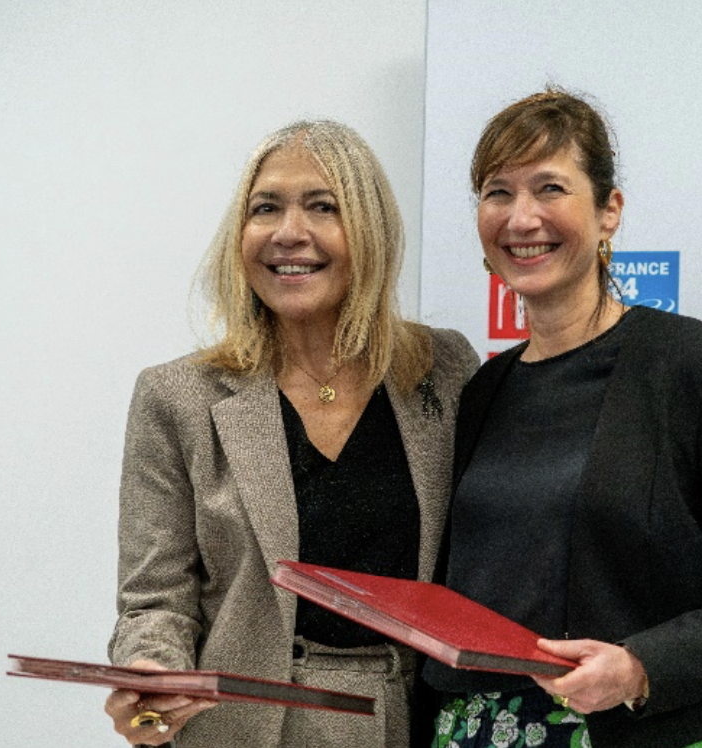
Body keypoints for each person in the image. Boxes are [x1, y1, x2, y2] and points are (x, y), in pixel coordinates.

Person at [421, 89, 702, 748]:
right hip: (472, 732)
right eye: (498, 193)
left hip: (635, 730)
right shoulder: (483, 390)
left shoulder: (697, 366)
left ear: (610, 211)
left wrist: (641, 668)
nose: (521, 218)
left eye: (549, 188)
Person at [104, 120, 480, 747]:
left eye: (323, 207)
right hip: (241, 725)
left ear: (371, 230)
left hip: (413, 721)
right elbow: (154, 600)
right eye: (265, 208)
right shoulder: (177, 396)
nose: (288, 233)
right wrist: (151, 672)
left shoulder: (443, 370)